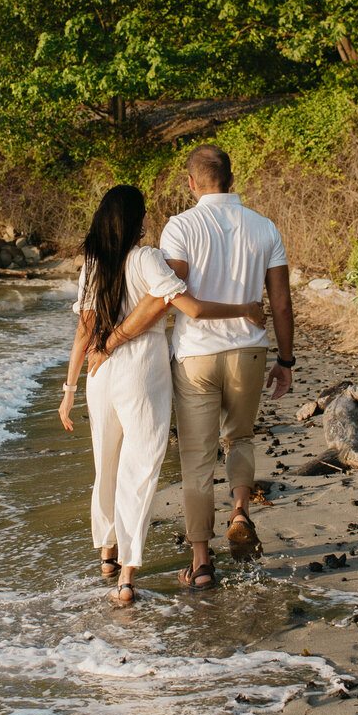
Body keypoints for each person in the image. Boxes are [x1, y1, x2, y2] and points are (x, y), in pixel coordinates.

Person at [99, 145, 294, 591]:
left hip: (194, 358)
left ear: (191, 183)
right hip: (250, 352)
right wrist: (285, 360)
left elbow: (168, 295)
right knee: (239, 438)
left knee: (196, 460)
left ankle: (202, 562)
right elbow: (280, 303)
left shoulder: (181, 226)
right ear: (231, 176)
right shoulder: (265, 228)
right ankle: (240, 509)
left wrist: (114, 341)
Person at [59, 184, 264, 606]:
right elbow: (192, 309)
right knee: (141, 469)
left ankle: (107, 556)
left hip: (99, 374)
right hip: (141, 371)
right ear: (135, 221)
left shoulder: (92, 265)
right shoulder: (147, 258)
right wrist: (244, 308)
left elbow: (83, 330)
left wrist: (68, 390)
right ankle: (128, 577)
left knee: (107, 463)